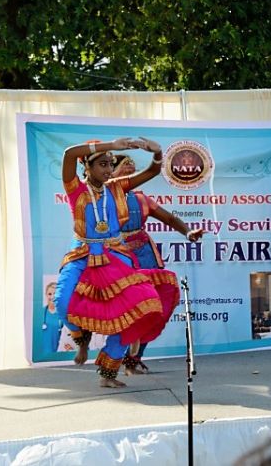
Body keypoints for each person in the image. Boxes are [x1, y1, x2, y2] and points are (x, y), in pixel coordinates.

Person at [53, 137, 180, 387]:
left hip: (114, 254)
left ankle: (108, 374)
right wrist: (112, 145)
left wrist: (157, 153)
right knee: (62, 302)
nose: (108, 170)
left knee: (134, 310)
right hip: (82, 253)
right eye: (102, 164)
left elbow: (153, 171)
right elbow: (69, 154)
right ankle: (82, 339)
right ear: (87, 167)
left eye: (110, 164)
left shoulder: (116, 188)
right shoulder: (75, 189)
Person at [110, 154, 205, 375]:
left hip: (145, 256)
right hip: (118, 256)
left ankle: (134, 360)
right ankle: (112, 362)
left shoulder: (141, 199)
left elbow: (169, 218)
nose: (130, 174)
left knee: (150, 308)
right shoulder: (103, 198)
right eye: (124, 169)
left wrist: (188, 232)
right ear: (111, 173)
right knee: (123, 310)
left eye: (133, 171)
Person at [41, 281, 63, 353]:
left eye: (55, 294)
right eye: (49, 294)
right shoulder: (40, 313)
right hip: (43, 353)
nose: (52, 297)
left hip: (58, 354)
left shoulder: (63, 314)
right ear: (46, 295)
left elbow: (68, 336)